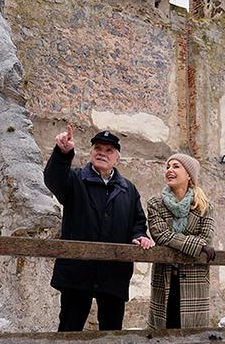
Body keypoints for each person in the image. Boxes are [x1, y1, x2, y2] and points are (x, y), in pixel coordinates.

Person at [43, 125, 155, 331]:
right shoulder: (75, 179)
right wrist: (62, 153)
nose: (102, 152)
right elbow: (53, 181)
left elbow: (137, 222)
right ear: (91, 152)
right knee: (70, 329)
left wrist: (139, 236)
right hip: (77, 271)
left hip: (114, 273)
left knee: (111, 333)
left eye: (109, 150)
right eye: (98, 148)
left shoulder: (128, 189)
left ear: (117, 159)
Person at [147, 153, 216, 329]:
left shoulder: (205, 206)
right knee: (163, 333)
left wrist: (195, 243)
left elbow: (206, 237)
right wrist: (198, 245)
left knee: (192, 334)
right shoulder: (155, 203)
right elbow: (161, 236)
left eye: (176, 166)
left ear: (189, 175)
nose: (169, 170)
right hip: (165, 277)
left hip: (195, 279)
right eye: (168, 167)